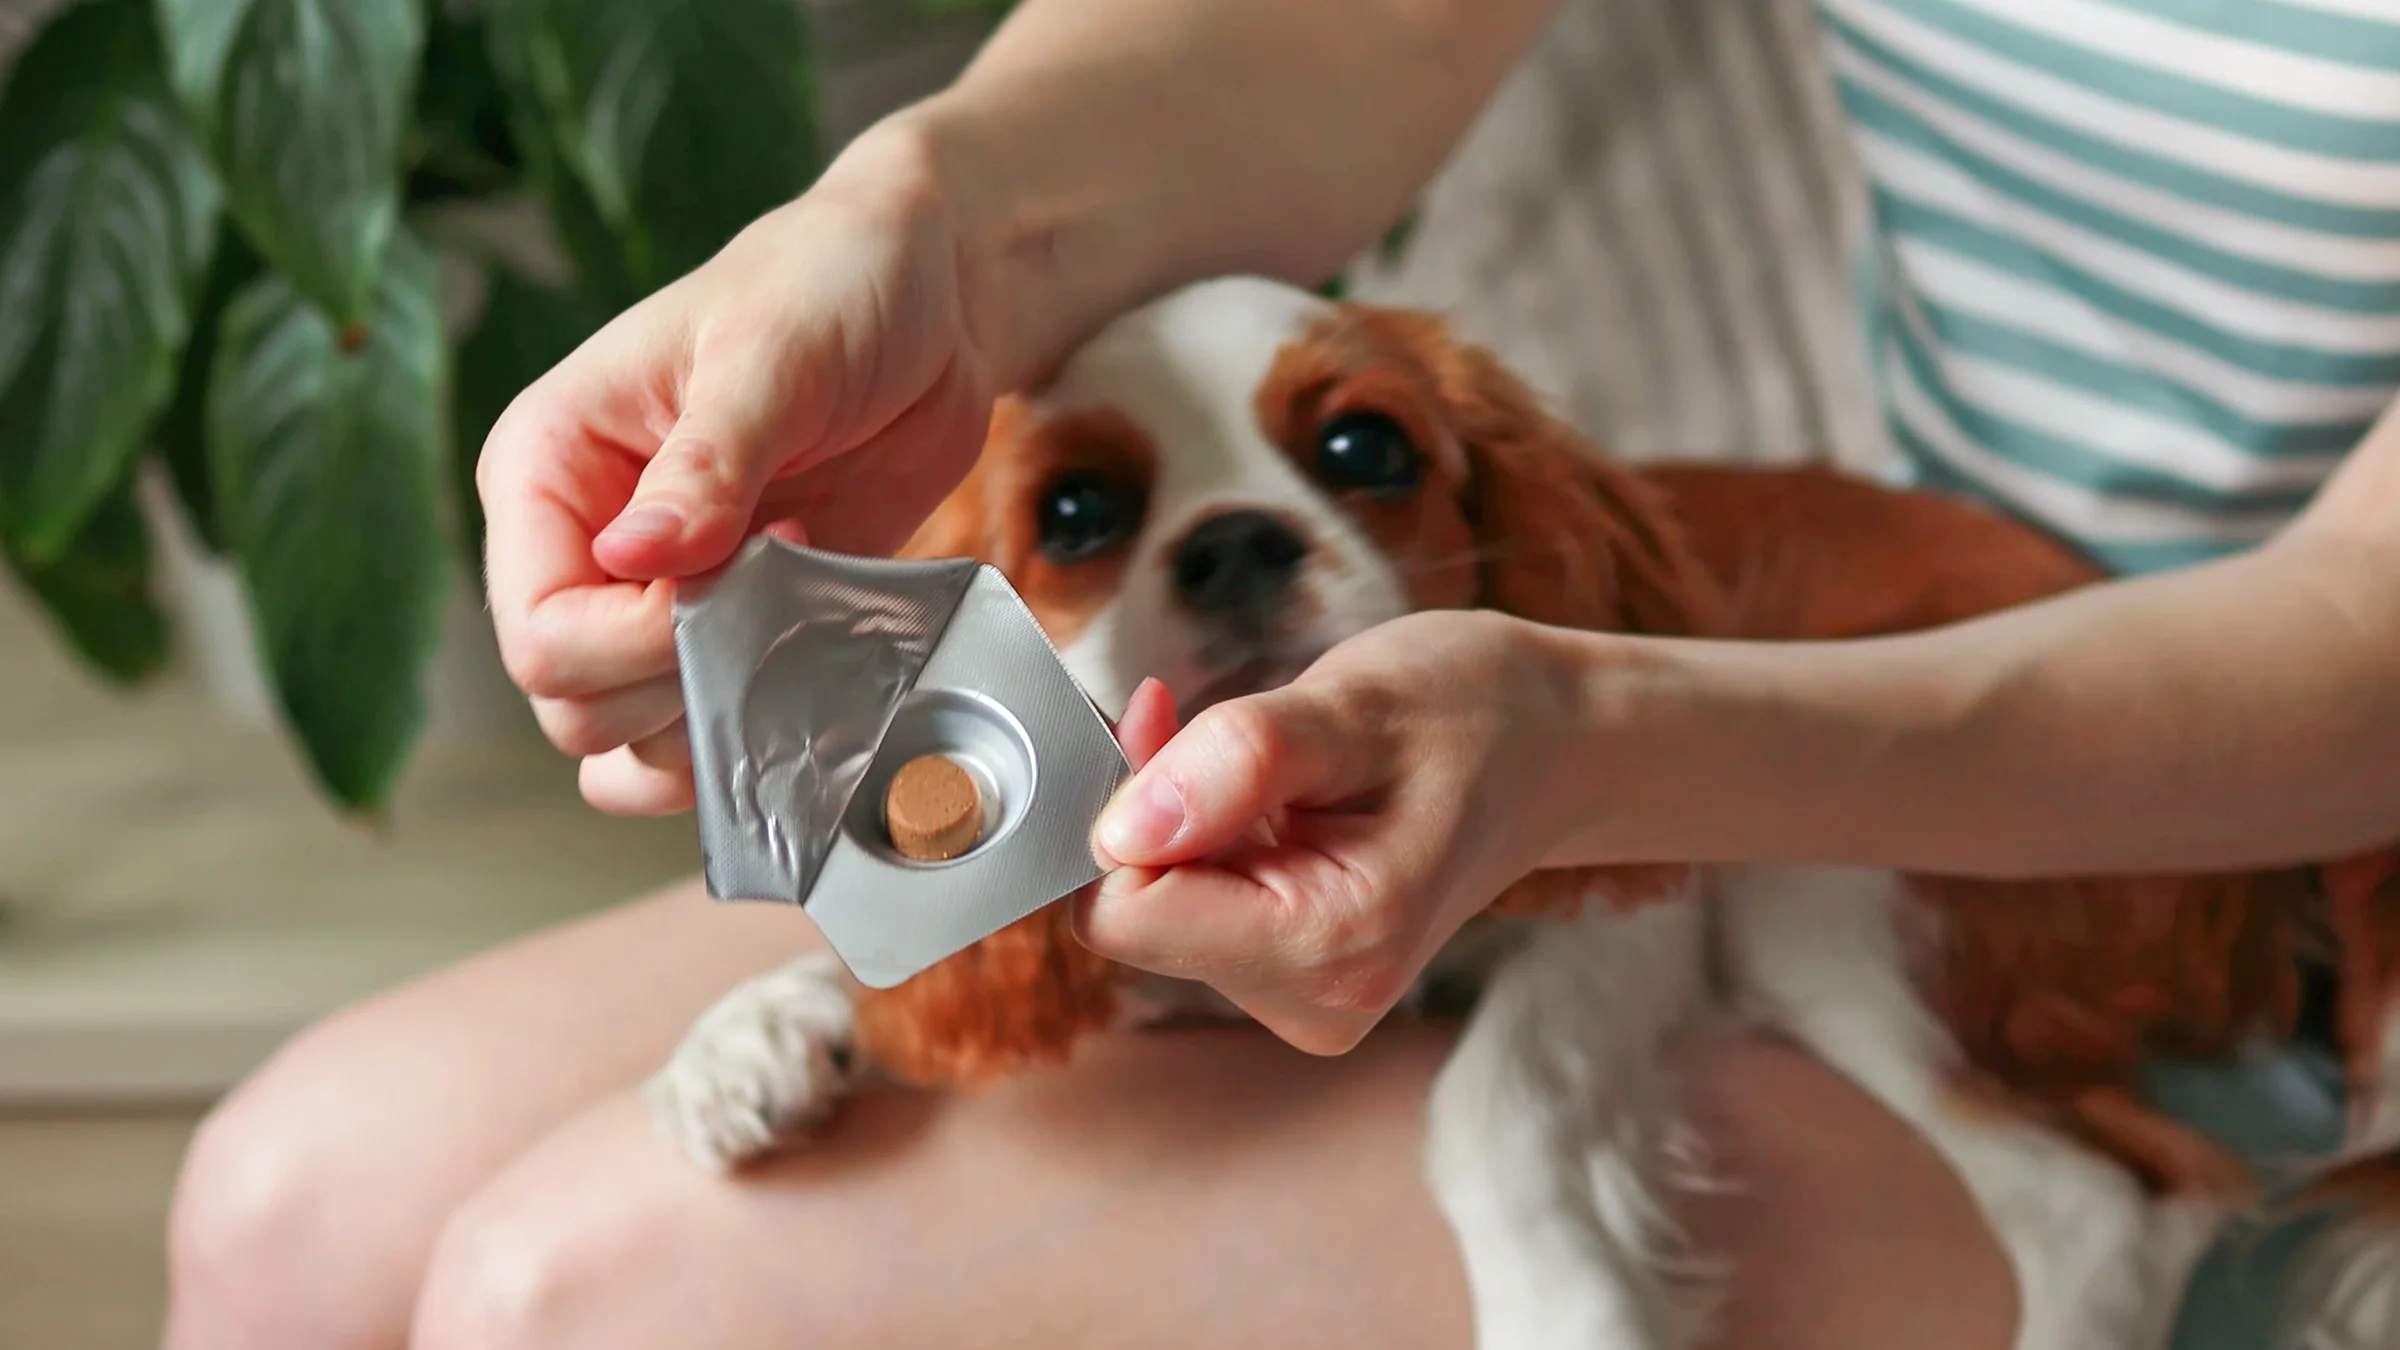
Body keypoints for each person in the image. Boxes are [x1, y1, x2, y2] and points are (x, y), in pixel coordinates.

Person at [162, 2, 2400, 1348]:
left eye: (1348, 455)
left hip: (2191, 859)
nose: (1240, 533)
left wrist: (1624, 739)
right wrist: (927, 218)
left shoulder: (1607, 623)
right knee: (290, 1193)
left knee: (584, 1291)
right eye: (1088, 513)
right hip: (1787, 666)